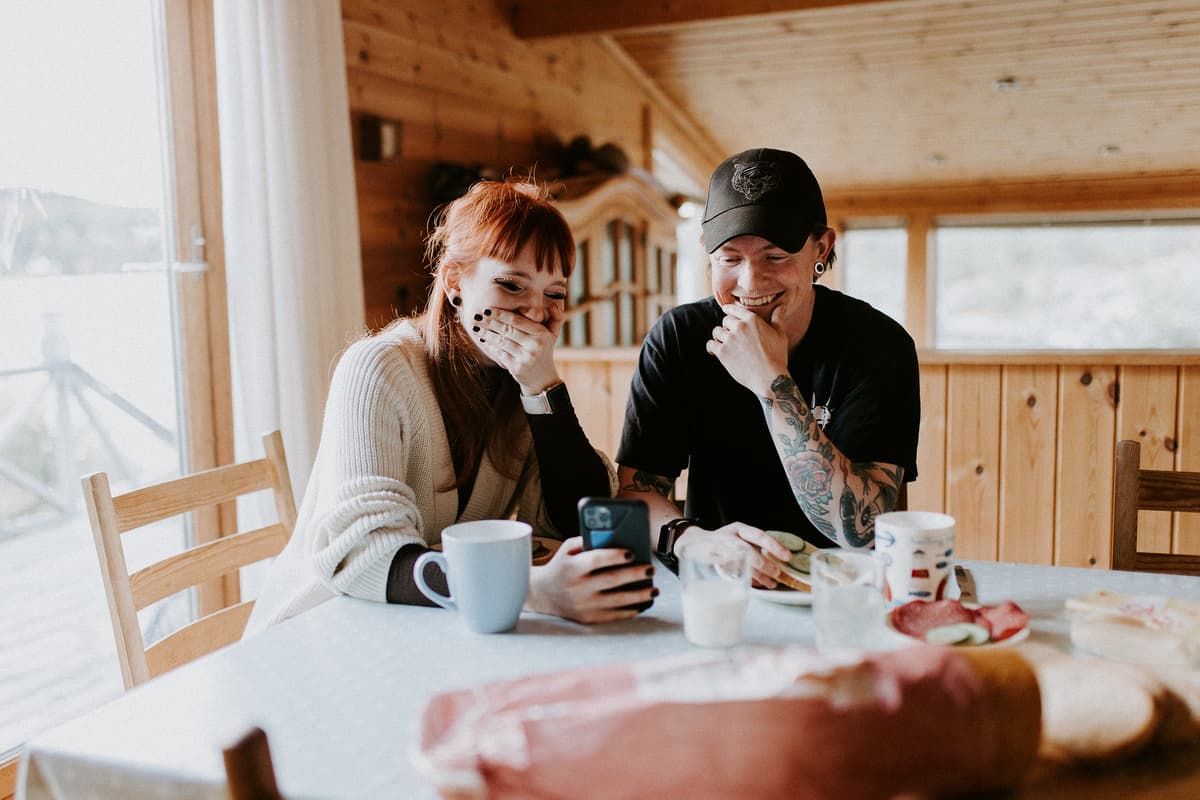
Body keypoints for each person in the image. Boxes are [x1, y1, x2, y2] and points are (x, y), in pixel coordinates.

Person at [246, 180, 656, 634]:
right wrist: (528, 589)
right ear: (455, 281)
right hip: (324, 628)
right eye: (511, 285)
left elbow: (578, 517)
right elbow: (363, 555)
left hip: (432, 626)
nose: (535, 312)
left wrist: (542, 385)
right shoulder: (378, 368)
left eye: (554, 294)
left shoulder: (517, 383)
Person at [616, 148, 920, 587]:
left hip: (845, 592)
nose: (750, 283)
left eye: (775, 256)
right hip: (720, 586)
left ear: (822, 247)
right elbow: (636, 492)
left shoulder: (878, 345)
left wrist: (771, 382)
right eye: (729, 258)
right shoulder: (678, 338)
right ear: (706, 253)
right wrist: (692, 540)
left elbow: (864, 531)